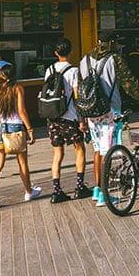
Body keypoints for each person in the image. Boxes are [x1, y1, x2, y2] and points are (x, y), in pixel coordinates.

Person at [80, 34, 139, 207]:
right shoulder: (115, 59)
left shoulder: (84, 59)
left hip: (91, 112)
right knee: (106, 153)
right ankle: (104, 194)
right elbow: (129, 83)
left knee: (97, 150)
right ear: (112, 43)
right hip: (110, 111)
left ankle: (96, 189)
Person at [0, 62, 41, 208]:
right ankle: (28, 191)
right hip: (15, 127)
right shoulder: (17, 88)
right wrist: (30, 129)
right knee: (22, 162)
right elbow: (22, 111)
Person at [46, 39, 92, 204]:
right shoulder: (74, 71)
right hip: (70, 117)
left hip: (53, 118)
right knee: (80, 150)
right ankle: (79, 187)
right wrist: (82, 120)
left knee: (57, 154)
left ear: (56, 53)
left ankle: (56, 191)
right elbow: (77, 97)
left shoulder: (49, 70)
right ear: (70, 52)